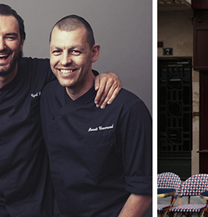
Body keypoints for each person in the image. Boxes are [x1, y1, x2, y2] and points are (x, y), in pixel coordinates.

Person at [0, 4, 121, 217]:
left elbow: (77, 74)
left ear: (22, 41)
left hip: (38, 206)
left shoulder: (42, 73)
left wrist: (107, 76)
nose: (1, 46)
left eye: (10, 37)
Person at [40, 15, 152, 216]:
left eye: (75, 51)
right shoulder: (46, 94)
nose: (65, 61)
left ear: (94, 53)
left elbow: (143, 190)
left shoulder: (129, 109)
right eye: (57, 51)